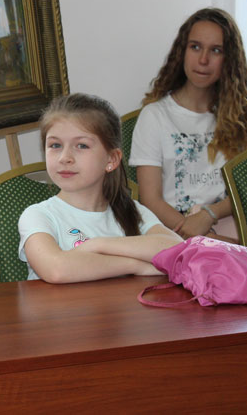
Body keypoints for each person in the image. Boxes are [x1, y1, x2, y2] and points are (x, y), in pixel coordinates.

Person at [18, 93, 182, 283]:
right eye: (55, 145)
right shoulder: (38, 215)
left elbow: (178, 249)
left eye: (81, 145)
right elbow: (56, 269)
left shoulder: (132, 211)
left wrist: (98, 245)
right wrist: (135, 266)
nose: (65, 157)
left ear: (111, 159)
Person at [130, 8, 247, 241]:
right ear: (182, 51)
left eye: (216, 50)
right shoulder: (154, 116)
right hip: (172, 232)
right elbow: (150, 200)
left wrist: (210, 215)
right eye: (195, 47)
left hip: (229, 227)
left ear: (229, 60)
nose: (203, 60)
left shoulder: (241, 118)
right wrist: (197, 234)